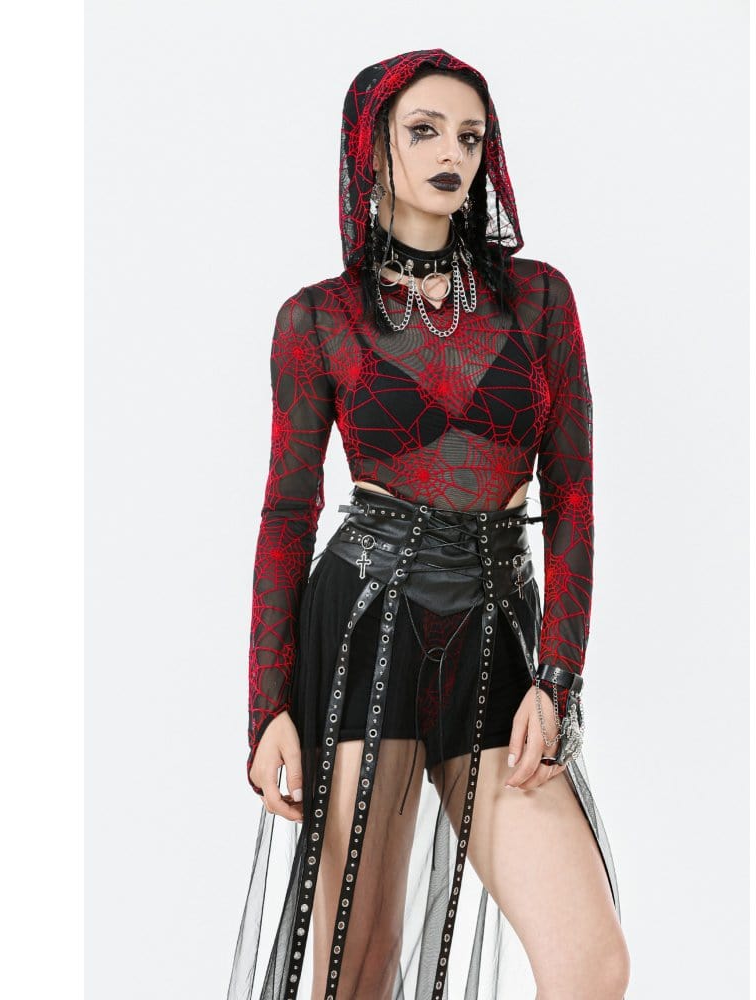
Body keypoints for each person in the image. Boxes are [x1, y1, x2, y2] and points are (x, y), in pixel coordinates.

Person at [228, 48, 630, 1000]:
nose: (453, 152)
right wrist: (266, 707)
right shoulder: (317, 320)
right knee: (358, 972)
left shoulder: (540, 301)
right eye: (425, 131)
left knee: (590, 966)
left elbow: (573, 500)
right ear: (373, 151)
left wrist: (559, 679)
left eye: (471, 136)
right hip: (364, 631)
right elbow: (287, 514)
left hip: (496, 638)